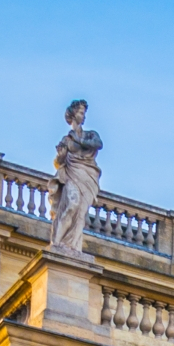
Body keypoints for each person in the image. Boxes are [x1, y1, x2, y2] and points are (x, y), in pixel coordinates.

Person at [48, 99, 104, 254]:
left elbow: (98, 144)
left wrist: (78, 138)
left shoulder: (91, 134)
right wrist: (61, 156)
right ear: (73, 114)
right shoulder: (66, 140)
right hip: (72, 174)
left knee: (81, 214)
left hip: (88, 176)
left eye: (84, 113)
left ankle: (73, 247)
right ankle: (57, 242)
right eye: (80, 112)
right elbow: (59, 162)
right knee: (72, 204)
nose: (83, 116)